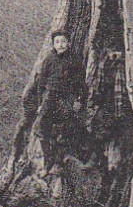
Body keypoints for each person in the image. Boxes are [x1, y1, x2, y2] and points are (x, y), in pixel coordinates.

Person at [24, 31, 87, 170]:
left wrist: (79, 100)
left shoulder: (74, 60)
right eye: (57, 42)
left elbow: (81, 84)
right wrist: (41, 103)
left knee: (67, 126)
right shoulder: (49, 59)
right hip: (50, 97)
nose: (61, 45)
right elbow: (41, 83)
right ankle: (49, 159)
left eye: (63, 41)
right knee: (41, 128)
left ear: (69, 43)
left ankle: (63, 158)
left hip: (67, 97)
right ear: (53, 44)